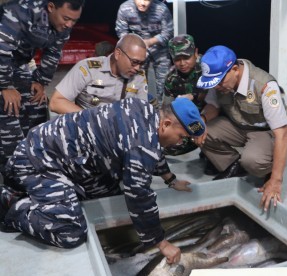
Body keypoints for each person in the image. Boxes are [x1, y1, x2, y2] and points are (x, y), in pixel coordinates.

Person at [0, 97, 205, 264]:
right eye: (181, 136)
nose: (180, 142)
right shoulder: (140, 145)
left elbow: (153, 150)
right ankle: (12, 204)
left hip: (70, 159)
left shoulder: (144, 110)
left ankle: (47, 198)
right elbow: (139, 197)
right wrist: (161, 243)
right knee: (71, 232)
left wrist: (170, 179)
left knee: (113, 200)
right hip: (38, 162)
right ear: (166, 124)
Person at [195, 45, 287, 212]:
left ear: (234, 69)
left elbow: (282, 134)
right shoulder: (220, 82)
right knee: (203, 132)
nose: (217, 87)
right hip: (240, 126)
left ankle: (265, 168)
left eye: (219, 82)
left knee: (253, 161)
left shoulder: (264, 85)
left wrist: (276, 180)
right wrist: (200, 122)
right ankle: (235, 166)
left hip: (267, 131)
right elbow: (213, 106)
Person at [0, 0, 84, 186]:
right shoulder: (21, 12)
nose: (69, 24)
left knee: (36, 101)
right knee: (8, 107)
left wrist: (40, 80)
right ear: (51, 7)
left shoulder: (63, 23)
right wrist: (5, 86)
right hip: (3, 63)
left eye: (74, 21)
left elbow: (54, 51)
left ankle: (33, 159)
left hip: (16, 63)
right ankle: (13, 176)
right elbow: (2, 49)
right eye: (66, 18)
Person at [49, 33, 148, 114]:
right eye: (134, 62)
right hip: (87, 130)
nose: (137, 68)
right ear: (118, 54)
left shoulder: (139, 77)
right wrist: (92, 120)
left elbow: (142, 112)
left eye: (141, 63)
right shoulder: (87, 69)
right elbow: (56, 102)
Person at [115, 0, 174, 106]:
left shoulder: (161, 9)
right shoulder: (125, 8)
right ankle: (138, 109)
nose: (143, 3)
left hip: (159, 50)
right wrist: (135, 45)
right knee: (136, 82)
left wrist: (150, 42)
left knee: (165, 83)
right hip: (136, 51)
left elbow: (168, 32)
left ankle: (164, 111)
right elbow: (121, 31)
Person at [162, 34, 209, 157]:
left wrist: (193, 96)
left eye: (186, 57)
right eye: (177, 59)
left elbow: (218, 104)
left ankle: (208, 150)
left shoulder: (208, 69)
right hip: (185, 120)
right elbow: (167, 109)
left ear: (195, 52)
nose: (182, 63)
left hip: (209, 116)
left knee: (209, 137)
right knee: (170, 146)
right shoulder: (171, 78)